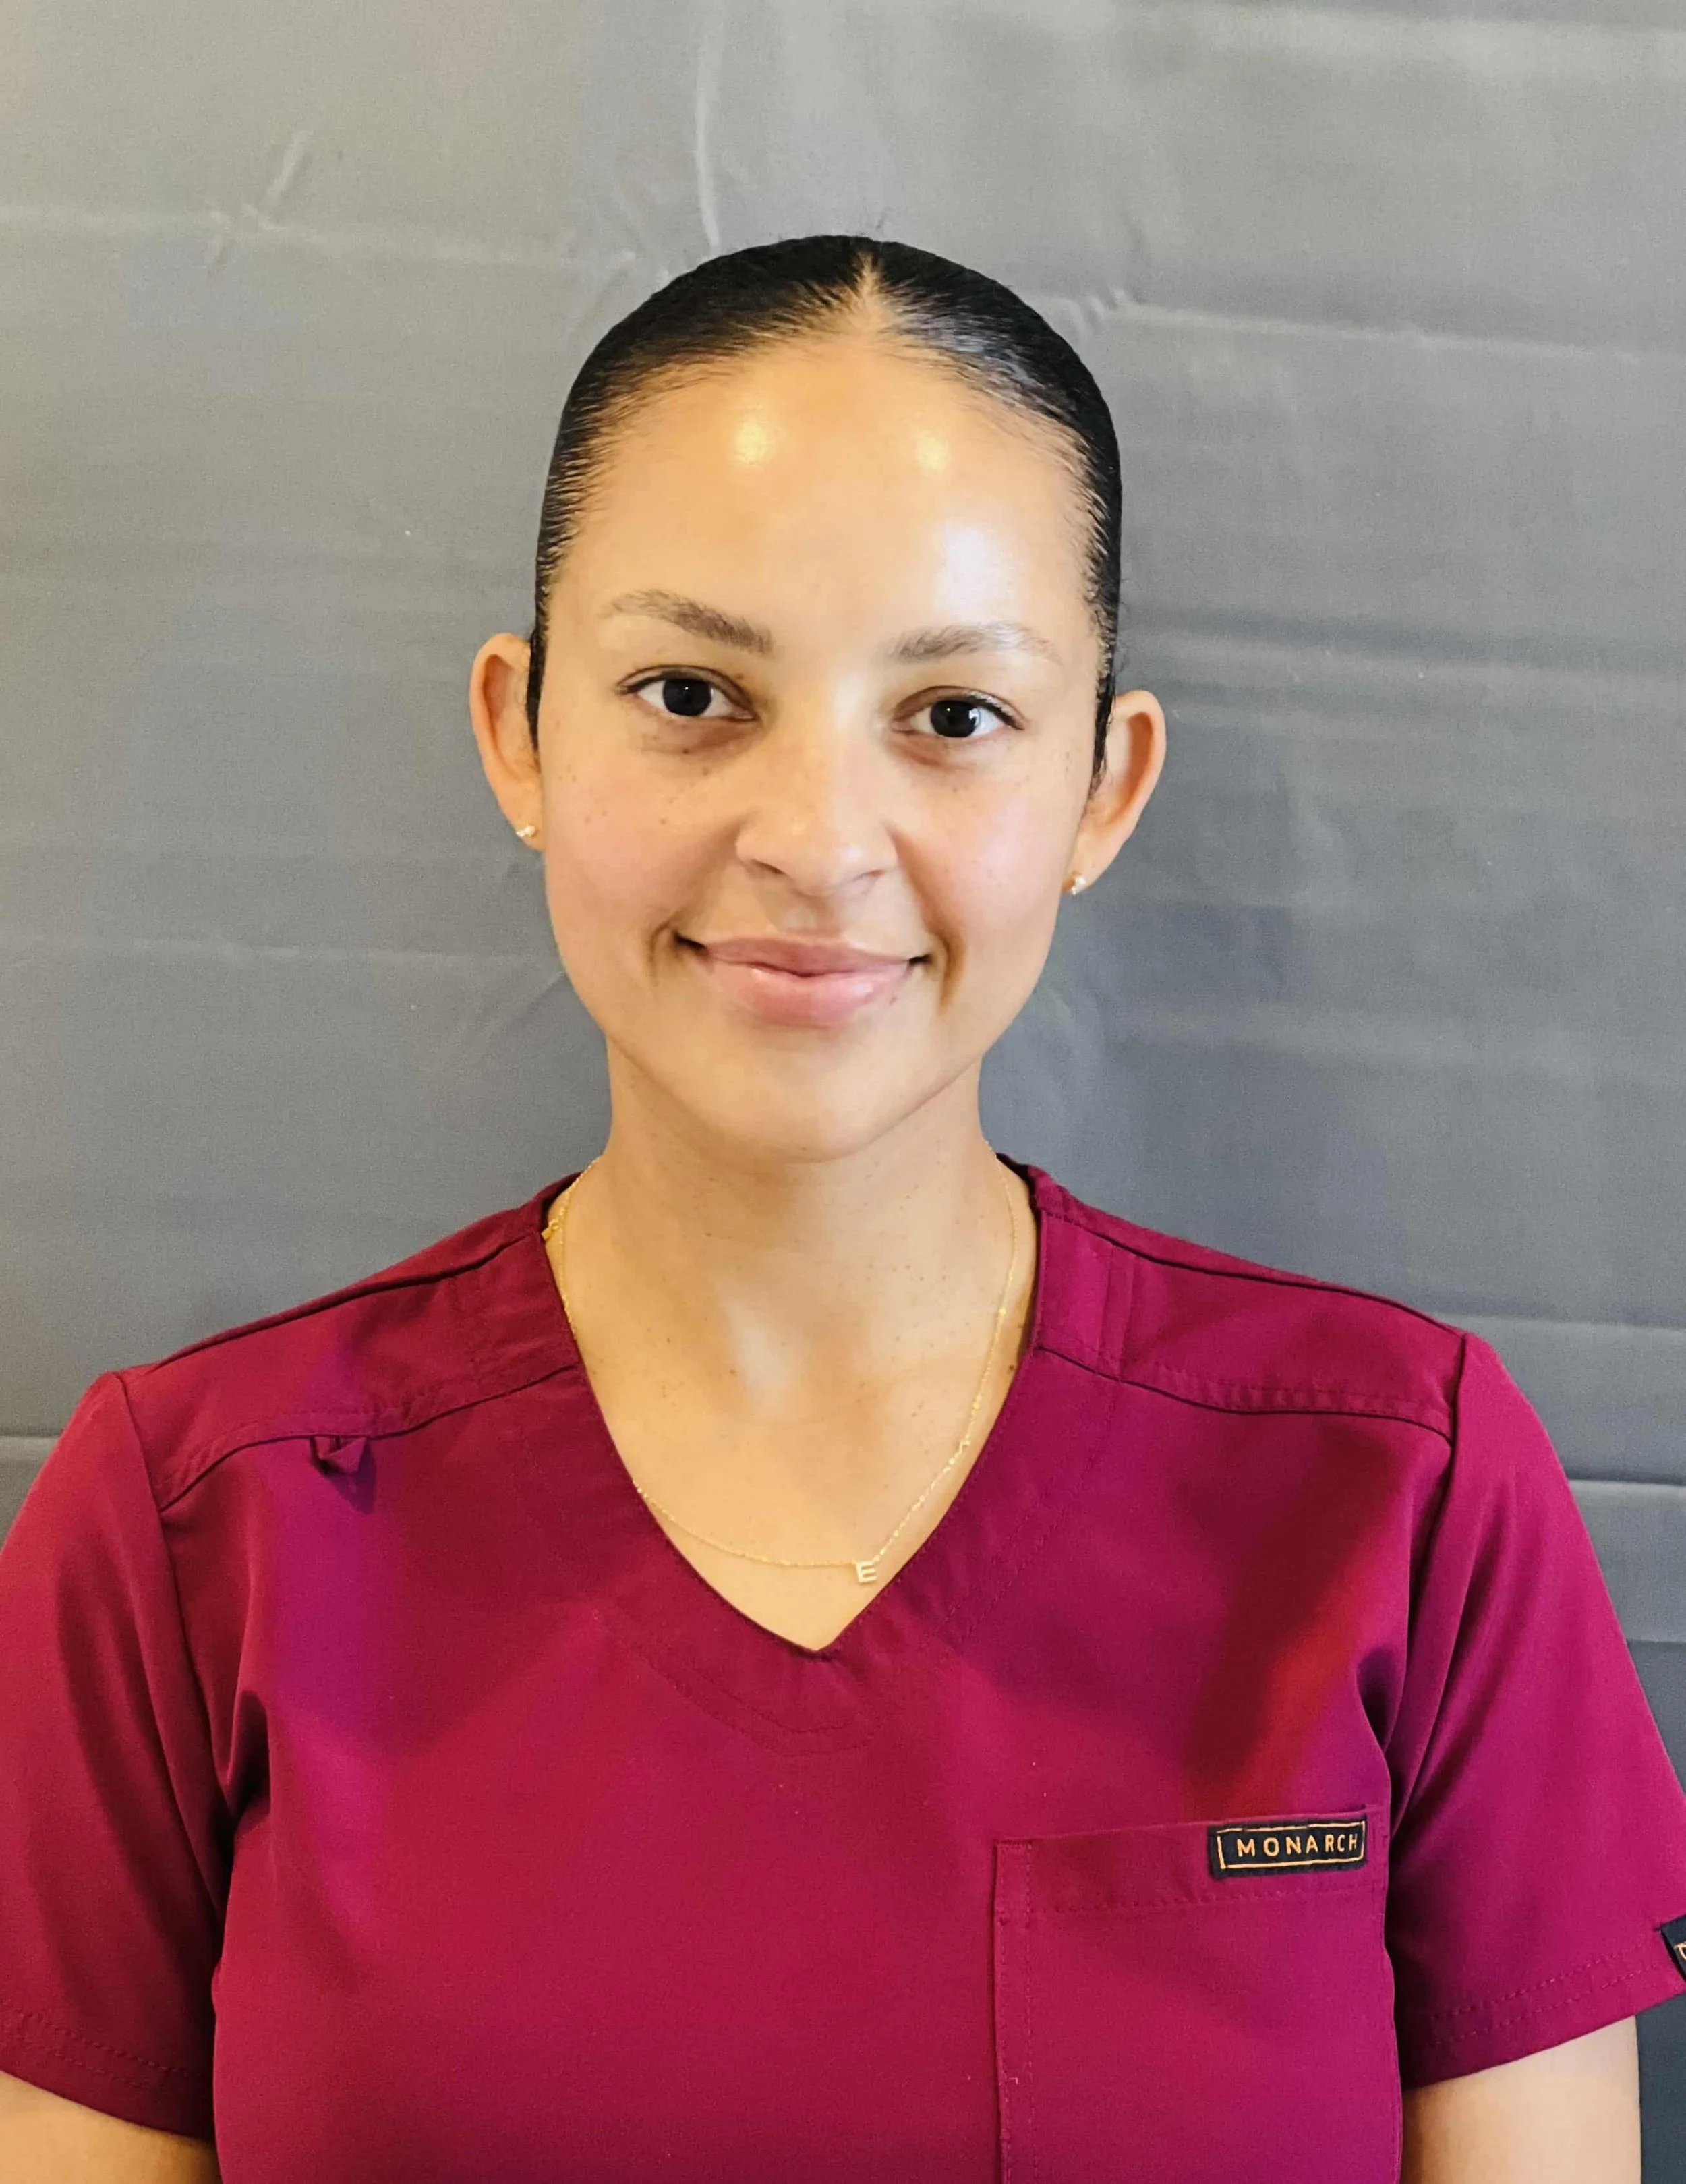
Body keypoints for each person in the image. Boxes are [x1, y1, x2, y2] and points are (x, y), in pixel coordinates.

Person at [1, 234, 1683, 2184]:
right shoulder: (193, 1520)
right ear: (518, 732)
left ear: (1101, 787)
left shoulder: (1402, 1493)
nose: (811, 839)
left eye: (953, 715)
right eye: (689, 691)